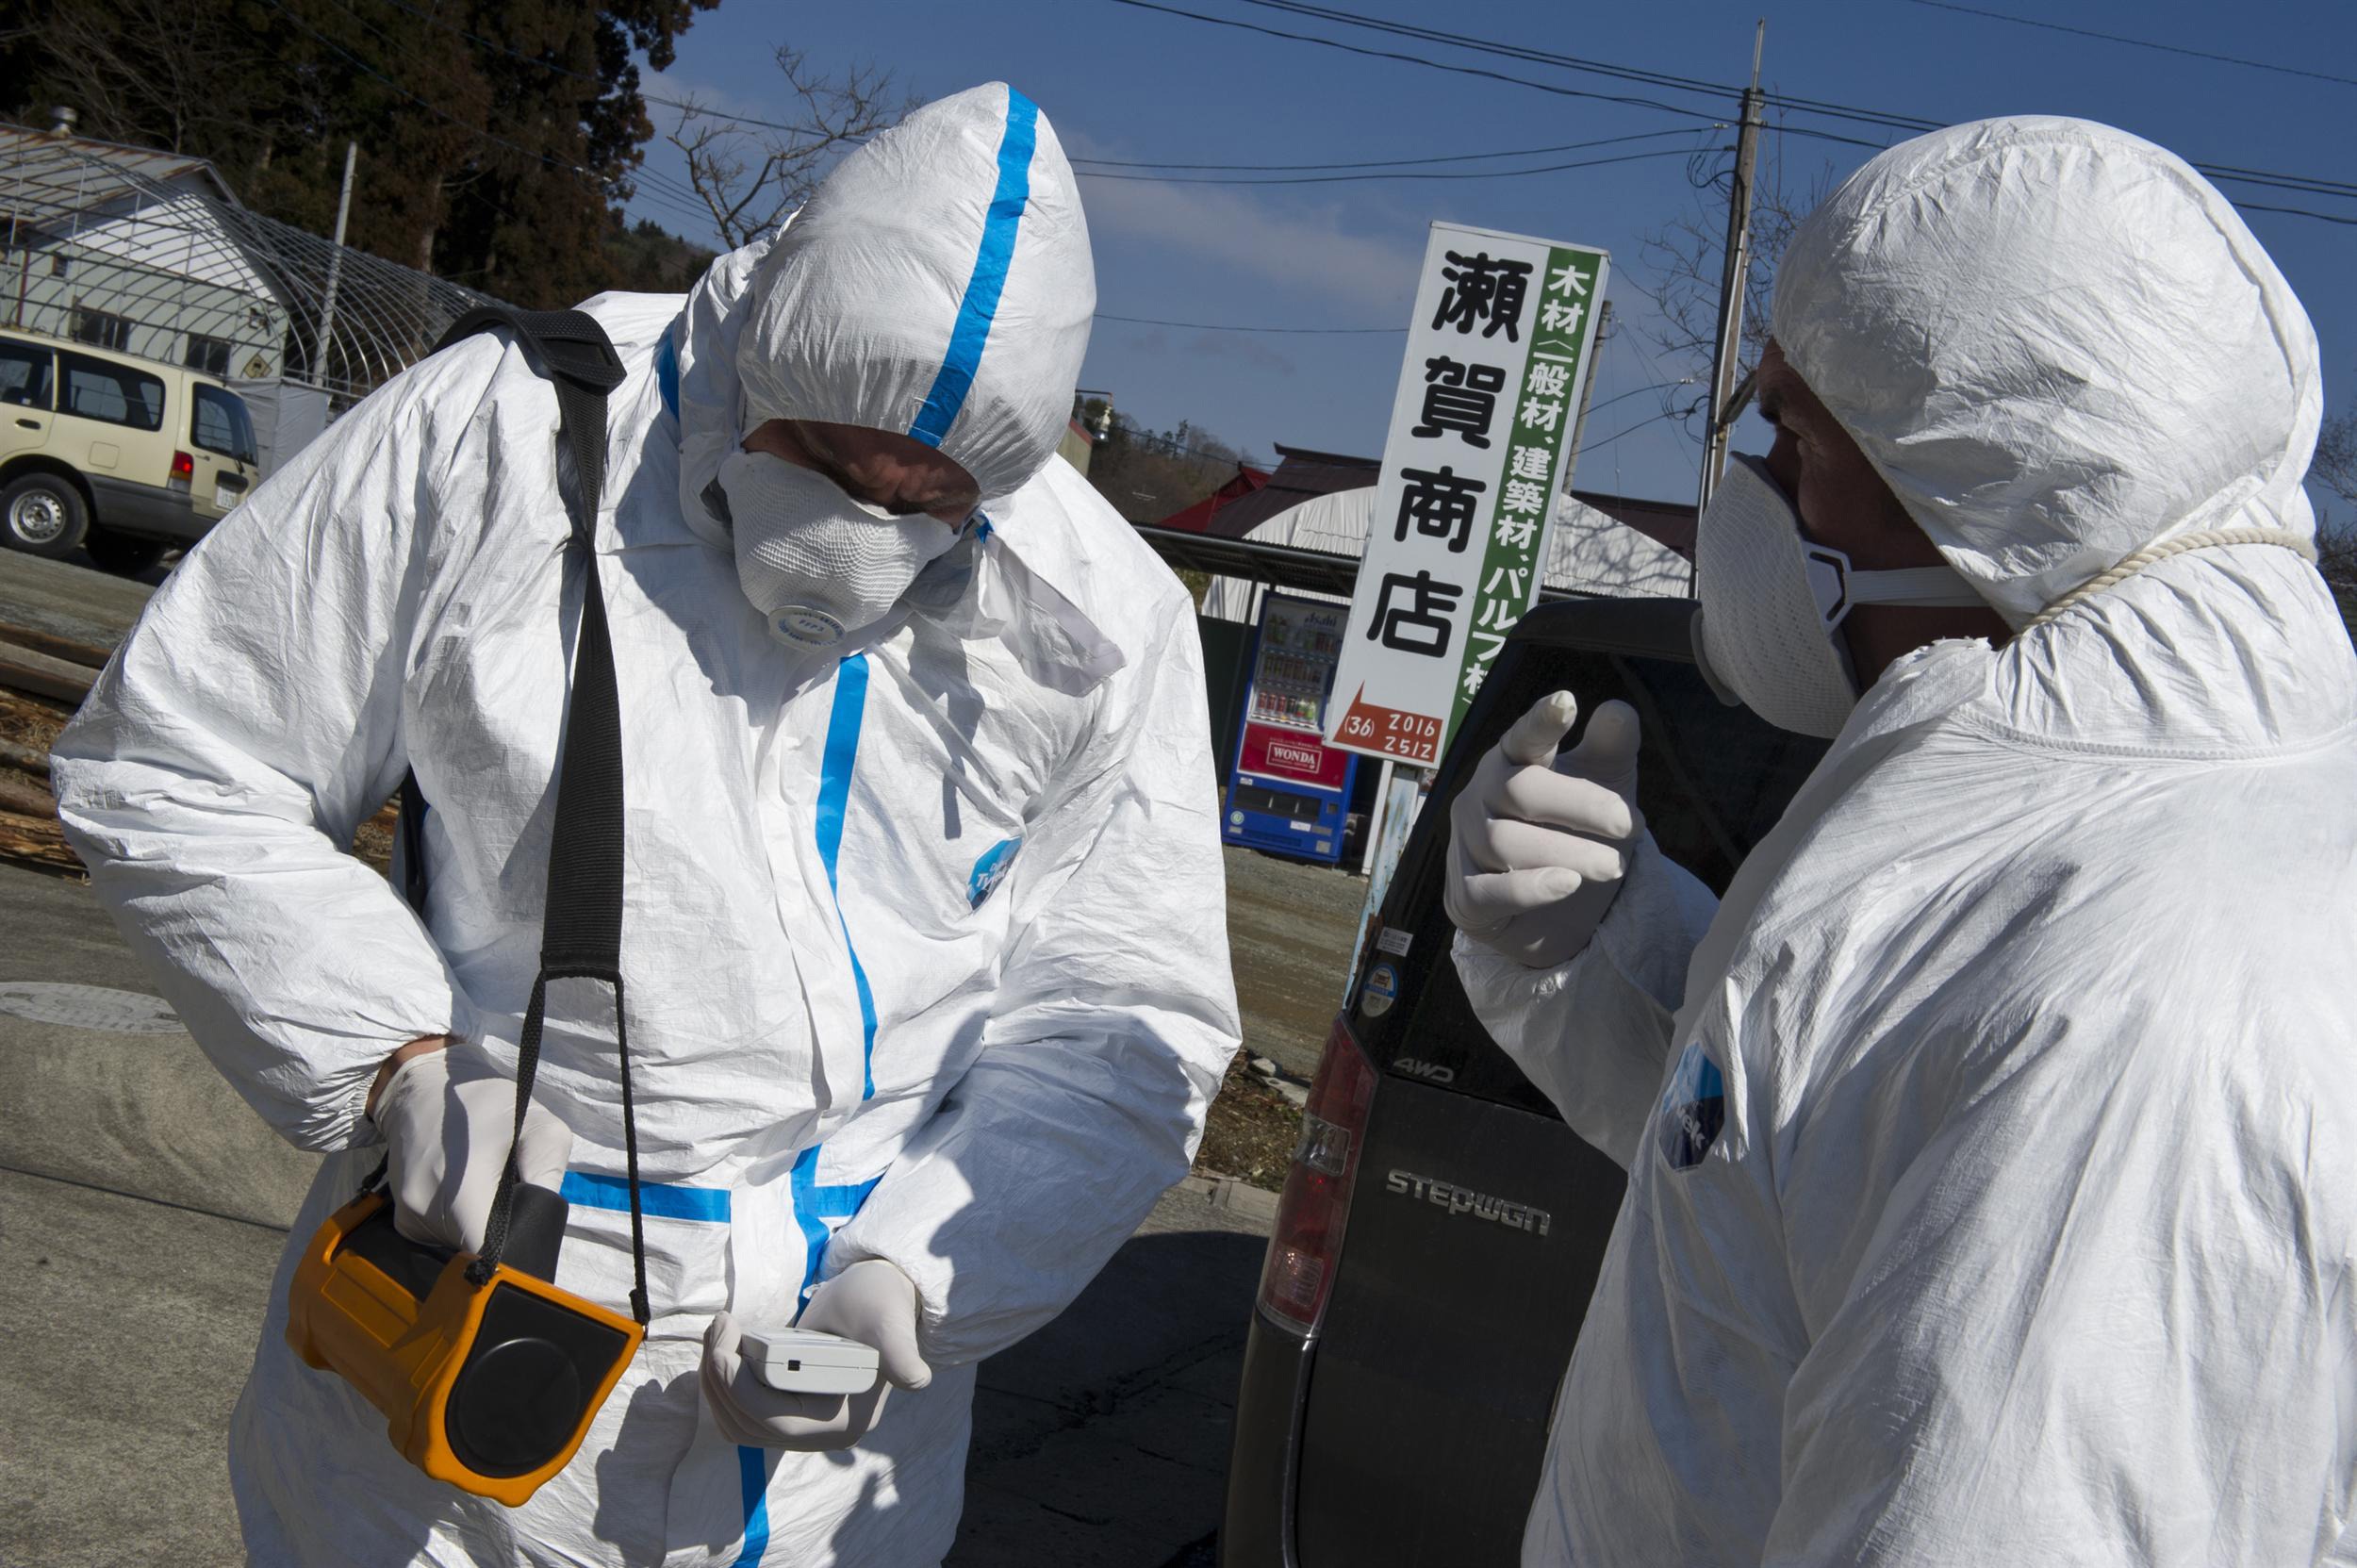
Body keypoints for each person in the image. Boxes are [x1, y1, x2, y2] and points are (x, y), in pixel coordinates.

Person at [52, 83, 1240, 1567]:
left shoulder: (1101, 607)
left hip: (835, 1452)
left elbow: (1126, 1009)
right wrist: (396, 1060)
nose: (872, 530)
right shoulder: (504, 435)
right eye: (833, 460)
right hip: (477, 1341)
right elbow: (179, 756)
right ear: (755, 349)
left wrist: (930, 1271)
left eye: (930, 500)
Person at [1445, 115, 2357, 1564]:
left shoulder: (2134, 1000)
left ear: (1980, 483)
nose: (1763, 486)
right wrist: (1606, 949)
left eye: (1797, 433)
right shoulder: (2042, 813)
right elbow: (1808, 1180)